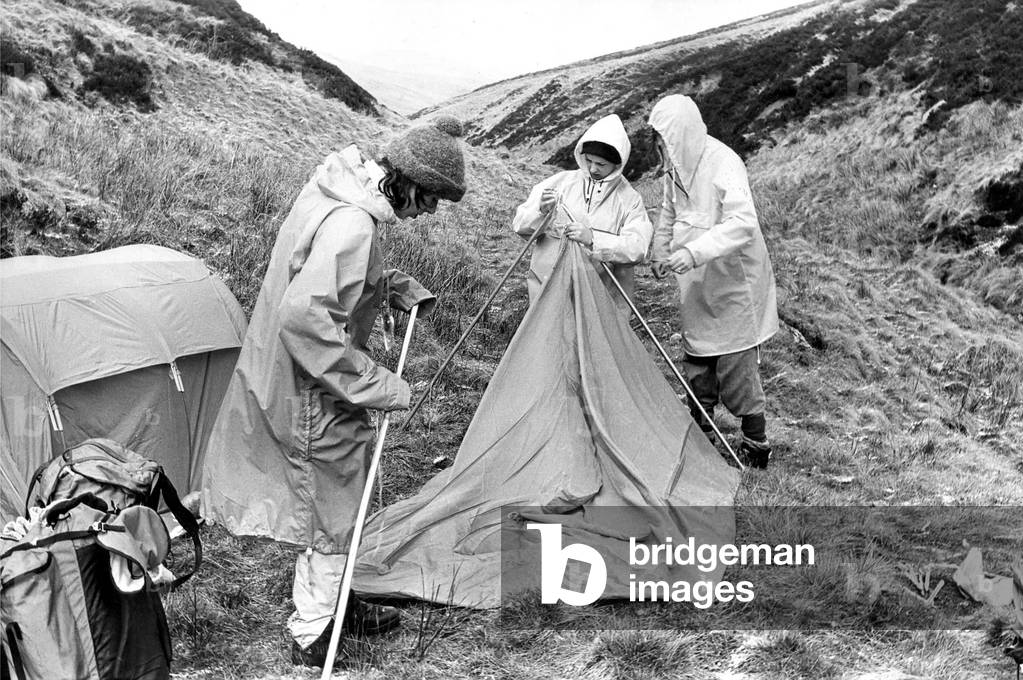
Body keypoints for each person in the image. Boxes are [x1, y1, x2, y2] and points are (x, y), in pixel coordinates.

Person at [200, 117, 467, 667]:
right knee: (335, 505)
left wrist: (383, 284)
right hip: (313, 389)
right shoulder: (356, 226)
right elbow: (306, 317)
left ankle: (335, 597)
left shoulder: (335, 190)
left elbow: (312, 267)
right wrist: (374, 383)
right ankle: (315, 629)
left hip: (294, 377)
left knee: (335, 498)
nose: (431, 211)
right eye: (433, 197)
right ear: (409, 180)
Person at [648, 94, 779, 469]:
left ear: (681, 135)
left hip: (733, 281)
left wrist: (692, 253)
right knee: (698, 359)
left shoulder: (725, 163)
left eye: (665, 142)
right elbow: (670, 210)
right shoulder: (676, 167)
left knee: (737, 368)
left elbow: (741, 224)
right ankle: (701, 435)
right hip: (697, 281)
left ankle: (755, 443)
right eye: (658, 143)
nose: (662, 150)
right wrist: (661, 249)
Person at [511, 113, 652, 308]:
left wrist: (594, 239)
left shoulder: (629, 200)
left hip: (599, 297)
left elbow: (638, 248)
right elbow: (520, 226)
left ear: (617, 164)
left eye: (601, 164)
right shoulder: (559, 183)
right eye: (589, 160)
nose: (593, 168)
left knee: (591, 337)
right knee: (552, 337)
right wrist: (541, 211)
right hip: (549, 287)